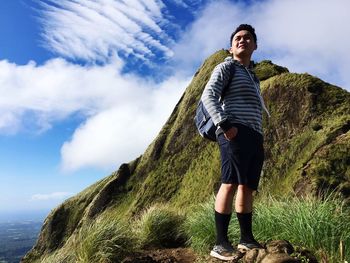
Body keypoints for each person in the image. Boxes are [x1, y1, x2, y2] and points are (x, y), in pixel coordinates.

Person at [201, 24, 270, 261]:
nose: (243, 40)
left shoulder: (252, 76)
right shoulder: (226, 67)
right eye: (238, 38)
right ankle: (220, 243)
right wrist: (225, 124)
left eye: (248, 38)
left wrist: (258, 134)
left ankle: (246, 239)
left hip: (253, 135)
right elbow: (208, 95)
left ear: (255, 45)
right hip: (233, 131)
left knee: (247, 186)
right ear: (231, 47)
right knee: (229, 182)